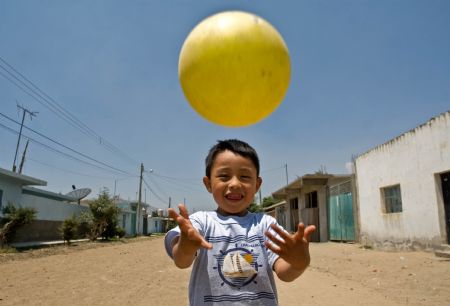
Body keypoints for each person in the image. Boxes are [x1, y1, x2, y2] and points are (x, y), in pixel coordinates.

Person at [165, 139, 315, 305]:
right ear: (208, 184)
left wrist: (300, 262)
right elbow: (181, 262)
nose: (235, 184)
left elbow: (284, 273)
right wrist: (185, 247)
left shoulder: (265, 224)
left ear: (257, 185)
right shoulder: (201, 222)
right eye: (224, 176)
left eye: (244, 177)